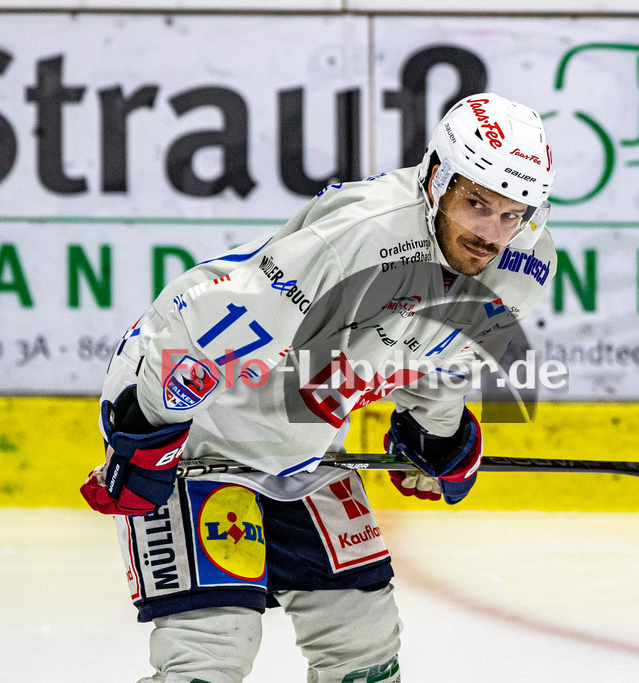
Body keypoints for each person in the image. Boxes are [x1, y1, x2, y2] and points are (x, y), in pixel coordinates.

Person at [81, 92, 557, 683]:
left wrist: (437, 434)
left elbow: (438, 355)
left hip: (302, 438)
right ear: (437, 178)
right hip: (202, 425)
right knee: (212, 651)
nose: (491, 234)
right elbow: (202, 329)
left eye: (513, 214)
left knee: (363, 648)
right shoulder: (363, 235)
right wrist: (146, 433)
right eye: (477, 203)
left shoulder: (522, 265)